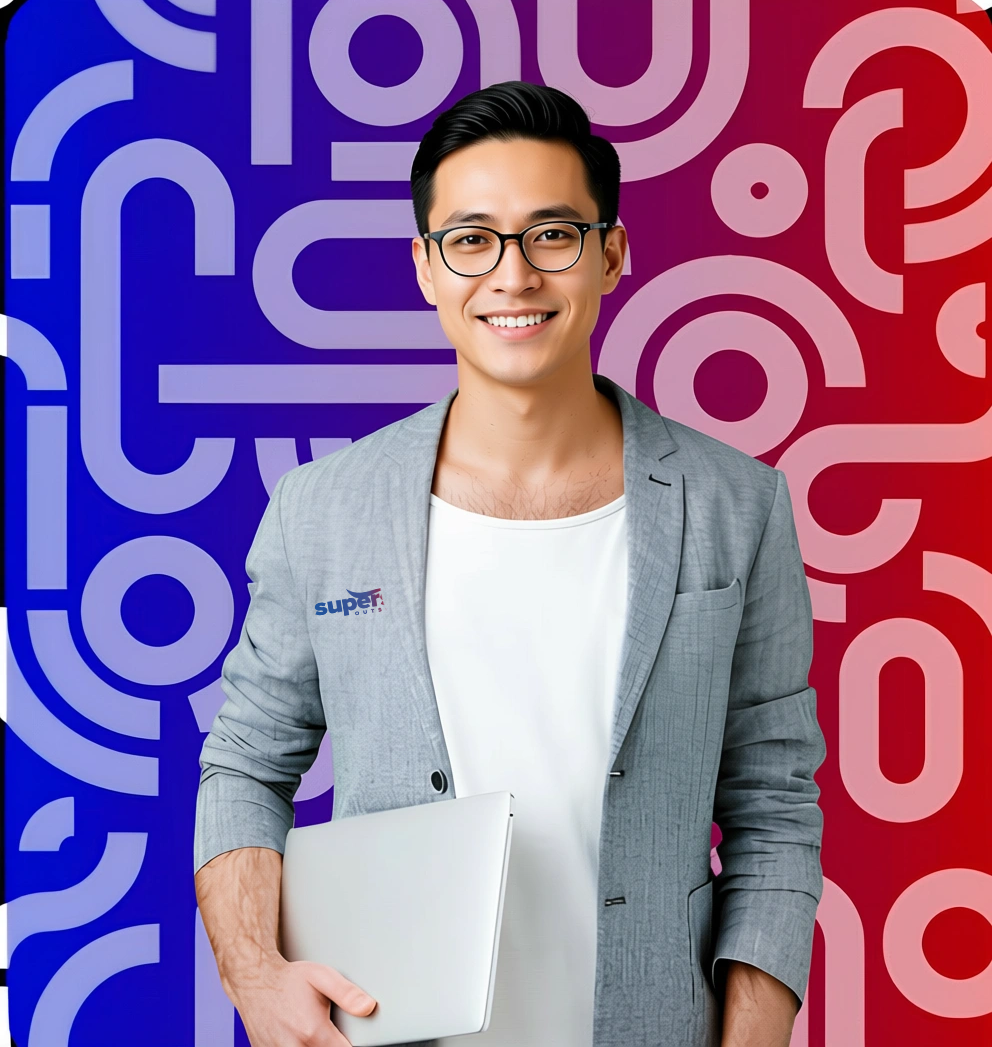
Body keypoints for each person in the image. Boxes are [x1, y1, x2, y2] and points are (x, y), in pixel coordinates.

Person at [194, 81, 826, 1047]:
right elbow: (245, 759)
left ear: (611, 253)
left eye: (552, 234)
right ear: (426, 267)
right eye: (472, 238)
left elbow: (774, 799)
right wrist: (254, 974)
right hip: (390, 1030)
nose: (513, 275)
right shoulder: (321, 510)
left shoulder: (739, 503)